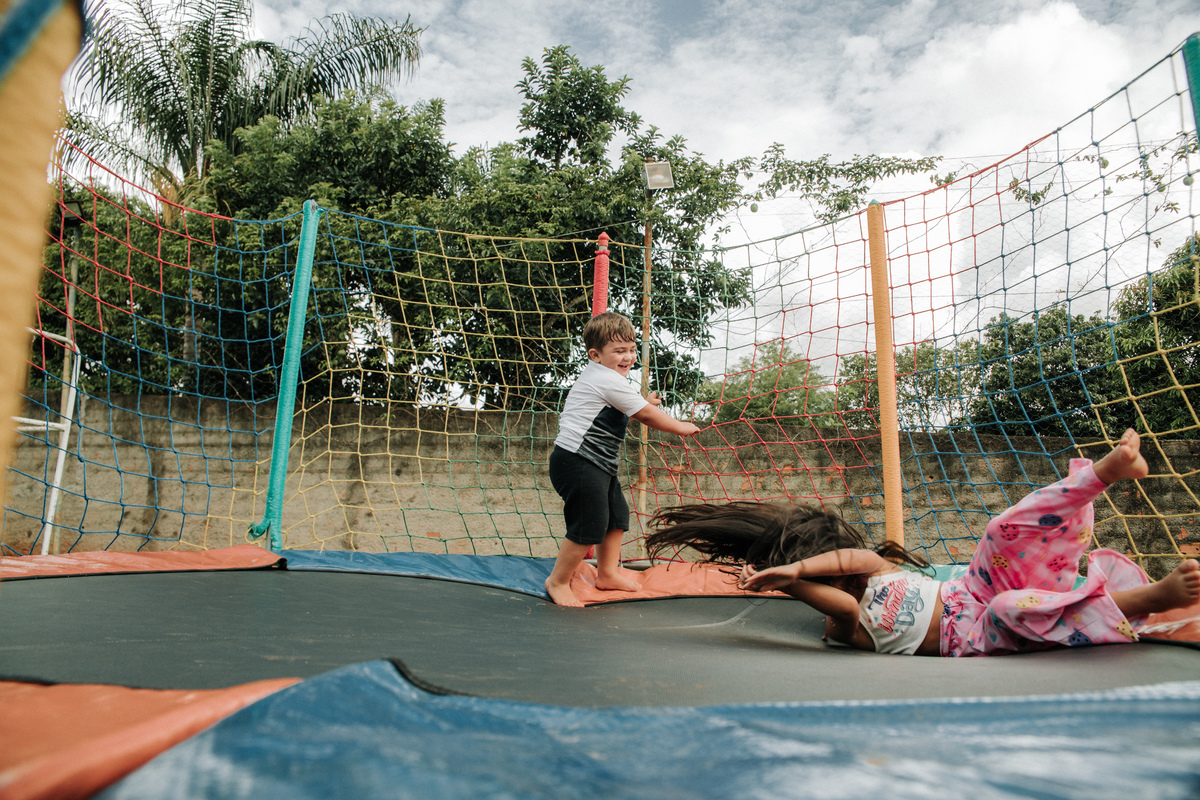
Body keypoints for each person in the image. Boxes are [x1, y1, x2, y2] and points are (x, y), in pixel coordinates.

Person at [645, 429, 1200, 655]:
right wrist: (790, 580)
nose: (848, 578)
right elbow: (836, 595)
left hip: (972, 589)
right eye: (832, 581)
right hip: (984, 631)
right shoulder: (846, 624)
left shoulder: (872, 571)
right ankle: (1148, 602)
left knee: (998, 530)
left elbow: (854, 558)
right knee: (1015, 609)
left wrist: (806, 566)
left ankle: (1100, 475)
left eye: (835, 570)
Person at [545, 312, 702, 607]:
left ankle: (606, 573)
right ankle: (558, 581)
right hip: (577, 462)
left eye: (631, 349)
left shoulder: (609, 379)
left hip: (597, 463)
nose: (628, 357)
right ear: (595, 354)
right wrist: (679, 426)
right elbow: (643, 414)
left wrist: (646, 401)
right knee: (590, 523)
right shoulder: (605, 378)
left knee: (616, 517)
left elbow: (629, 405)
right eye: (619, 351)